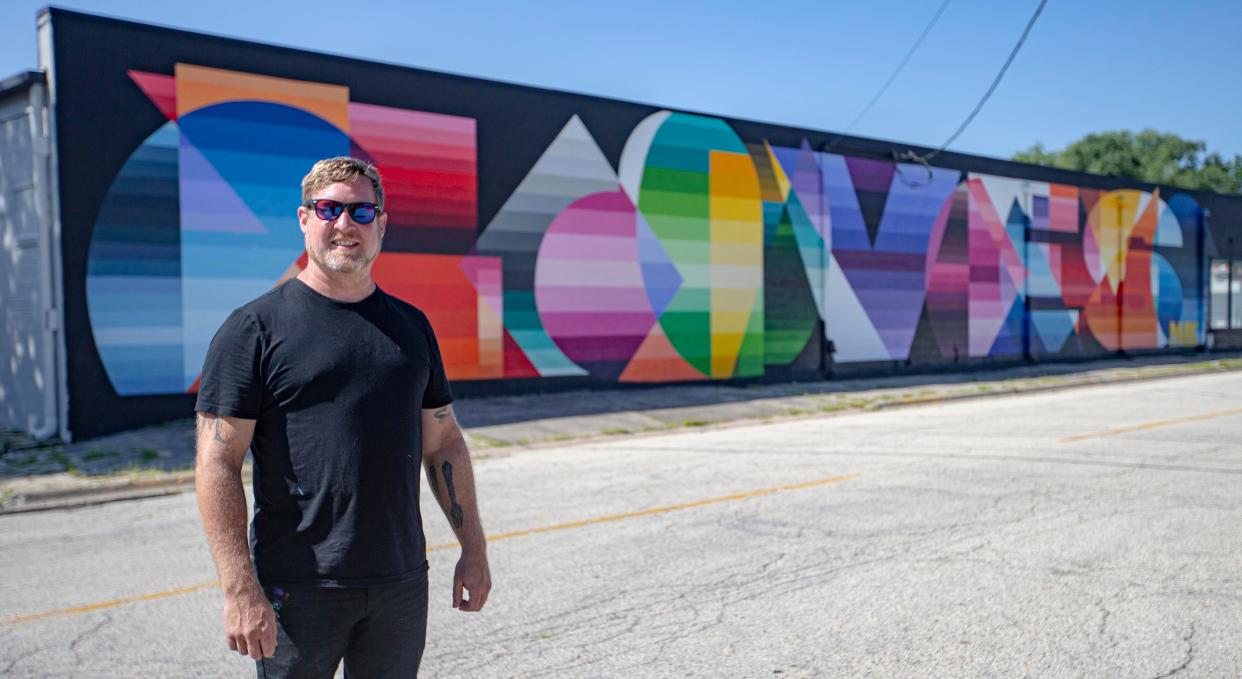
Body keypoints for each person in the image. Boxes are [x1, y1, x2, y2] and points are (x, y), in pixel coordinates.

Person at [194, 156, 491, 678]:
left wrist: (474, 549)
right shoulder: (253, 330)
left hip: (400, 583)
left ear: (381, 223)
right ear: (305, 218)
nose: (345, 224)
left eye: (360, 211)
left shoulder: (411, 328)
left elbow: (443, 442)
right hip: (299, 588)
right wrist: (240, 587)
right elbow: (217, 462)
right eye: (329, 209)